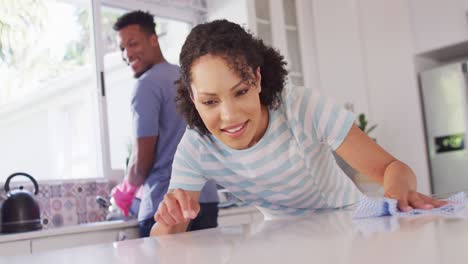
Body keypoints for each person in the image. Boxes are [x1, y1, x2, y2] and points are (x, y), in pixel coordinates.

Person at [149, 19, 448, 236]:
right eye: (210, 101)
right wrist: (169, 218)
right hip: (283, 236)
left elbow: (391, 168)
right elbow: (168, 233)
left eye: (240, 92)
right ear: (192, 97)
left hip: (350, 227)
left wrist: (397, 197)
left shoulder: (300, 108)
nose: (229, 116)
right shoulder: (197, 144)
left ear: (258, 78)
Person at [111, 10, 219, 237]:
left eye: (133, 44)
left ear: (153, 40)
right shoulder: (188, 78)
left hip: (167, 207)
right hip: (206, 199)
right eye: (122, 48)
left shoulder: (146, 85)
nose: (127, 53)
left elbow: (142, 162)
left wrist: (126, 189)